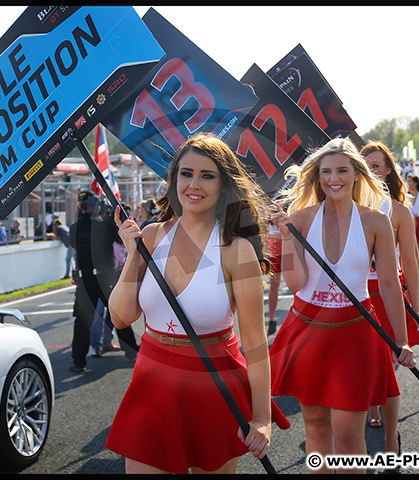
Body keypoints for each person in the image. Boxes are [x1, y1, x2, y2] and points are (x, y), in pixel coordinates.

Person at [106, 133, 290, 474]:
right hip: (151, 381)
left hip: (213, 385)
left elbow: (254, 343)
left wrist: (262, 417)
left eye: (208, 175)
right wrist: (133, 256)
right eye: (186, 173)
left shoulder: (237, 250)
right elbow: (120, 317)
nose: (195, 183)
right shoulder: (151, 236)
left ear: (223, 185)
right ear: (174, 178)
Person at [269, 137, 416, 474]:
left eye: (341, 170)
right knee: (317, 427)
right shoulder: (300, 218)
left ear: (356, 174)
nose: (333, 178)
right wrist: (287, 238)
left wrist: (401, 339)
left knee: (349, 435)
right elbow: (295, 285)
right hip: (307, 329)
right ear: (317, 177)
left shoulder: (376, 221)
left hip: (356, 332)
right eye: (326, 172)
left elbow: (391, 285)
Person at [362, 142, 419, 459]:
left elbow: (411, 264)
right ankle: (372, 409)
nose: (371, 170)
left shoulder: (400, 212)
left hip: (389, 295)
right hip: (356, 298)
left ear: (388, 170)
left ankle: (392, 439)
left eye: (376, 165)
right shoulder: (346, 209)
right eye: (365, 164)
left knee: (387, 371)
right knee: (366, 367)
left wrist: (415, 308)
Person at [70, 190, 139, 372]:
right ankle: (131, 351)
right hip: (104, 276)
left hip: (85, 278)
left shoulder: (75, 226)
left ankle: (78, 362)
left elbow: (73, 245)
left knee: (83, 320)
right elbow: (119, 239)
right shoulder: (103, 224)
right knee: (118, 313)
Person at [266, 219, 282, 336]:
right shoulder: (266, 213)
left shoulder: (289, 208)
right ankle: (272, 320)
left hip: (288, 248)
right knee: (274, 285)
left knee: (296, 285)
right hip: (274, 252)